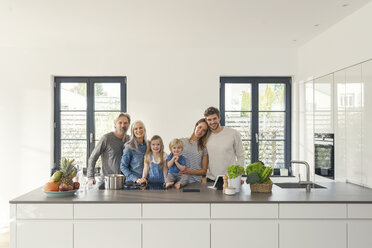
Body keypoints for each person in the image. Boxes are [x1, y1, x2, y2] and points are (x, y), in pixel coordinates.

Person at [87, 113, 131, 184]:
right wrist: (90, 177)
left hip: (126, 182)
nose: (123, 125)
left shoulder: (130, 139)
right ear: (115, 124)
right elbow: (93, 158)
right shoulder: (106, 138)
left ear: (128, 125)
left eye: (125, 123)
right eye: (120, 122)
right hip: (107, 182)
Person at [204, 107, 245, 181]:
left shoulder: (233, 133)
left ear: (219, 117)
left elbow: (241, 155)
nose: (212, 122)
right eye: (209, 120)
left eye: (214, 118)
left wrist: (238, 175)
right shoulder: (205, 136)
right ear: (206, 121)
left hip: (230, 178)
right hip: (211, 179)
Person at [179, 118, 210, 183]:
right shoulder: (181, 141)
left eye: (204, 130)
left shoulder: (203, 148)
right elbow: (172, 158)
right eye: (199, 127)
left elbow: (204, 170)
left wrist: (189, 171)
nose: (200, 131)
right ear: (196, 126)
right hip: (179, 181)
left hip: (195, 182)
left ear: (205, 133)